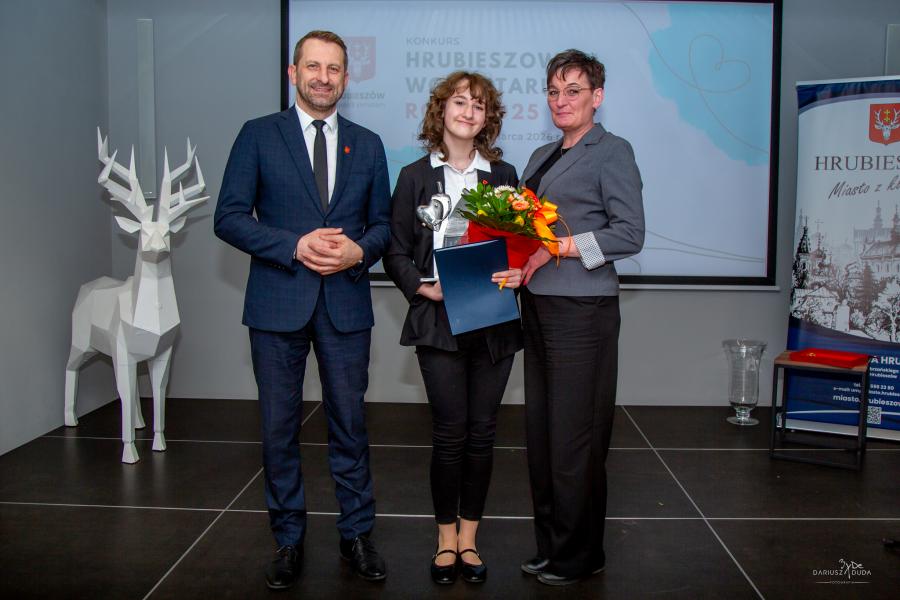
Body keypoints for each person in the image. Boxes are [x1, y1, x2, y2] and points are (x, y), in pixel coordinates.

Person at [213, 30, 390, 590]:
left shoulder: (368, 144)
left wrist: (359, 252)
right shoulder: (257, 135)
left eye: (333, 69)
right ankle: (288, 539)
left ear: (346, 78)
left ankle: (357, 534)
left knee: (350, 426)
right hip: (277, 304)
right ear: (293, 73)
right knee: (277, 429)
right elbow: (229, 217)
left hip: (345, 306)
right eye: (313, 66)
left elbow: (384, 225)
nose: (323, 77)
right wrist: (292, 245)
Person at [383, 71, 522, 585]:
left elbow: (519, 243)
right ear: (441, 110)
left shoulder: (504, 175)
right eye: (460, 102)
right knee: (449, 433)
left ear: (488, 118)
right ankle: (445, 538)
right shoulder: (413, 176)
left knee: (483, 434)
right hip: (438, 318)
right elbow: (394, 249)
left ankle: (470, 538)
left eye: (479, 105)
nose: (468, 112)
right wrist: (423, 288)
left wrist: (518, 268)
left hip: (492, 316)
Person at [518, 49, 645, 586]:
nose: (561, 100)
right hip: (539, 303)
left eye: (573, 91)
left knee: (575, 437)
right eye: (553, 91)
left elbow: (629, 234)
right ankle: (552, 546)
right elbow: (530, 230)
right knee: (544, 435)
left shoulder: (612, 150)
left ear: (597, 96)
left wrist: (561, 247)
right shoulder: (542, 154)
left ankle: (580, 555)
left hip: (583, 309)